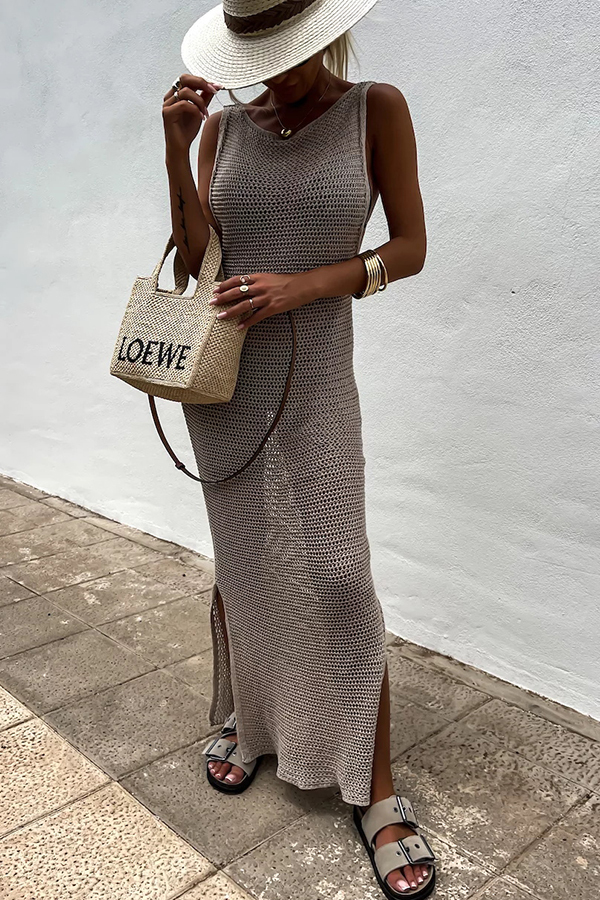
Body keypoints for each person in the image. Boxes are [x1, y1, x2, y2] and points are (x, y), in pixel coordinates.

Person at [161, 1, 434, 897]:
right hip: (226, 388)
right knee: (247, 569)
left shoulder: (374, 109)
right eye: (258, 59)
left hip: (316, 378)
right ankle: (252, 723)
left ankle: (376, 789)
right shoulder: (225, 129)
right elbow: (194, 262)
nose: (271, 76)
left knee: (339, 575)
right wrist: (176, 150)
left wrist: (306, 286)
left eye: (286, 54)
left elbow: (410, 249)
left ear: (321, 35)